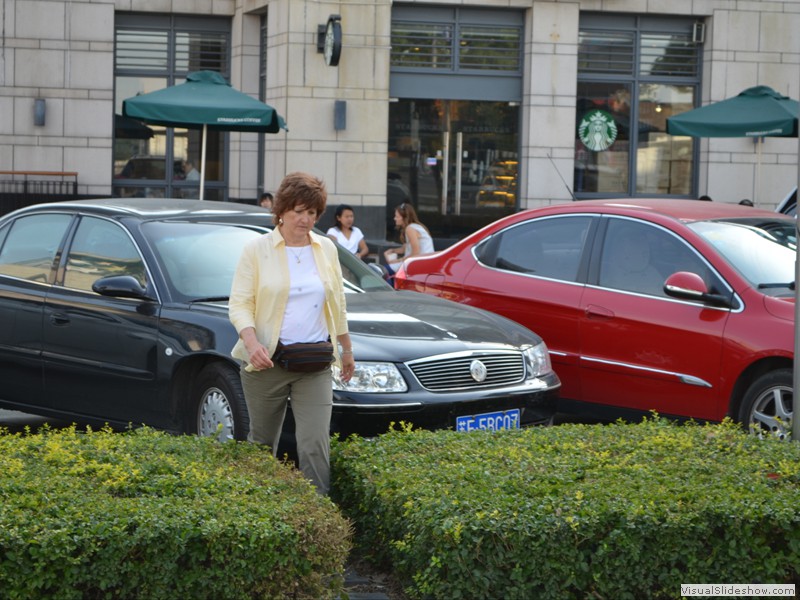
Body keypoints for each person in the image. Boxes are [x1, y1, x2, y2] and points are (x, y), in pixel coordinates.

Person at [228, 172, 355, 495]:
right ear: (281, 211)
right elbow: (240, 304)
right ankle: (259, 513)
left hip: (314, 364)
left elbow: (337, 302)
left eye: (312, 213)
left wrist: (347, 349)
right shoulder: (256, 250)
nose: (305, 219)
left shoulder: (326, 248)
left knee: (314, 444)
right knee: (262, 445)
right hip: (267, 364)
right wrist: (252, 341)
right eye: (298, 211)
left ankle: (319, 519)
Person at [384, 202, 434, 273]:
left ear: (404, 218)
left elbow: (416, 253)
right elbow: (407, 248)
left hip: (419, 263)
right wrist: (392, 251)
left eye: (397, 216)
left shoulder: (410, 229)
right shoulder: (414, 227)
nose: (394, 218)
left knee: (382, 271)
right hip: (422, 262)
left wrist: (397, 260)